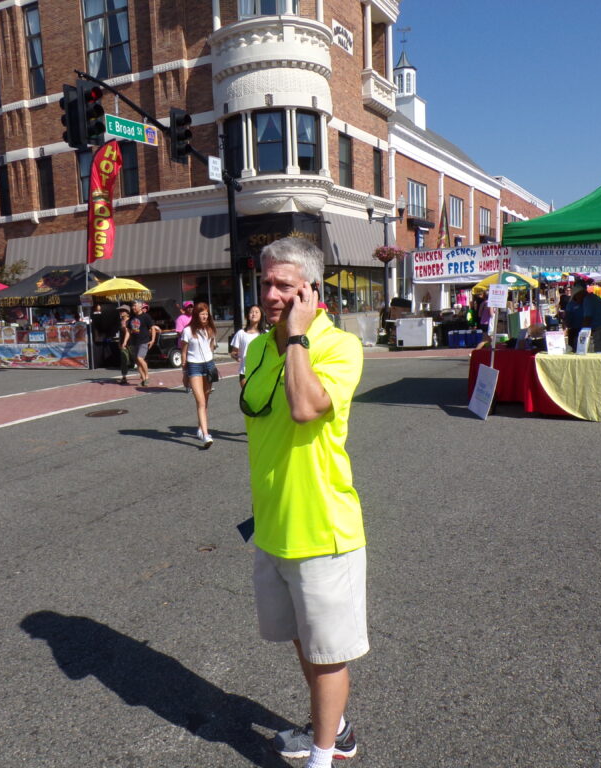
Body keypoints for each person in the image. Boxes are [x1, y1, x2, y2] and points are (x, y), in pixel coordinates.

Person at [241, 237, 367, 767]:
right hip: (272, 526)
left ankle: (323, 757)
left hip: (323, 529)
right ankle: (332, 728)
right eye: (265, 282)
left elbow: (303, 407)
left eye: (284, 286)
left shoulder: (340, 345)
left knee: (328, 654)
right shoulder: (254, 347)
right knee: (302, 642)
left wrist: (297, 336)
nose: (271, 293)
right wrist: (281, 338)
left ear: (310, 291)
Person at [180, 301, 218, 448]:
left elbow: (211, 347)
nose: (205, 316)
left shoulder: (209, 329)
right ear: (196, 315)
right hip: (194, 366)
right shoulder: (188, 331)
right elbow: (183, 353)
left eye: (206, 314)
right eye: (202, 314)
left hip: (209, 365)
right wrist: (184, 372)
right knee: (201, 401)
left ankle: (200, 429)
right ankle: (206, 435)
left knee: (205, 400)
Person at [564, 280, 601, 352]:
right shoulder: (593, 297)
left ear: (580, 293)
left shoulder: (587, 300)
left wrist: (582, 336)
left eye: (576, 297)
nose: (576, 300)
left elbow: (587, 320)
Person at [230, 304, 265, 386]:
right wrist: (235, 356)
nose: (254, 314)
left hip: (261, 371)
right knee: (246, 397)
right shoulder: (241, 333)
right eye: (251, 312)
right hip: (245, 371)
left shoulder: (265, 334)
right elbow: (233, 352)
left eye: (257, 312)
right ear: (248, 316)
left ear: (261, 315)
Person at [126, 300, 157, 386]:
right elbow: (128, 331)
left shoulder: (146, 316)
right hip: (134, 342)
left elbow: (153, 328)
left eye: (135, 306)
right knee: (137, 361)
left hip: (144, 341)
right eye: (133, 306)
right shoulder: (132, 318)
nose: (133, 307)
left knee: (140, 358)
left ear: (140, 307)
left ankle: (147, 376)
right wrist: (125, 342)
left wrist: (153, 340)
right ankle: (143, 379)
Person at [116, 305, 132, 385]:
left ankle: (143, 375)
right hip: (123, 343)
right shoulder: (120, 321)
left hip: (131, 343)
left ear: (127, 312)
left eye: (122, 311)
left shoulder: (130, 321)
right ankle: (124, 377)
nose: (121, 312)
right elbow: (121, 334)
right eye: (120, 311)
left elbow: (127, 333)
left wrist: (125, 342)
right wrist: (120, 342)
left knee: (136, 359)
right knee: (124, 360)